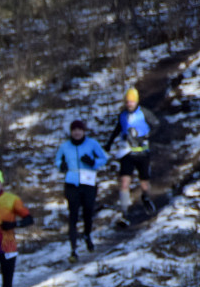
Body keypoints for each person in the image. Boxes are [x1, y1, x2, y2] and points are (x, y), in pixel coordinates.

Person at [55, 119, 108, 262]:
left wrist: (93, 162)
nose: (77, 132)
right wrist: (62, 165)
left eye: (79, 130)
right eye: (74, 130)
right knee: (73, 214)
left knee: (88, 211)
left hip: (88, 182)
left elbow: (104, 158)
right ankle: (73, 248)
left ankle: (87, 235)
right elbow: (58, 160)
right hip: (72, 183)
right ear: (71, 132)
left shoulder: (92, 144)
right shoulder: (65, 146)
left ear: (83, 131)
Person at [104, 87, 161, 221]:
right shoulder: (122, 115)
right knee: (124, 182)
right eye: (128, 102)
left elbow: (157, 125)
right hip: (127, 153)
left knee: (144, 183)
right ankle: (124, 210)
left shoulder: (144, 113)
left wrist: (146, 136)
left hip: (142, 153)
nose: (129, 104)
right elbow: (118, 128)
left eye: (132, 102)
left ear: (136, 102)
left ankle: (146, 197)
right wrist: (109, 143)